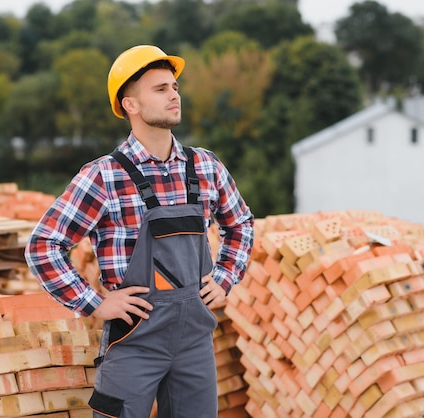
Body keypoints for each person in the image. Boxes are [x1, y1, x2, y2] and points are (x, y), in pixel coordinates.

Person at [24, 44, 254, 418]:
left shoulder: (205, 166)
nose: (174, 94)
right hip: (134, 343)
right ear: (130, 105)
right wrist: (96, 303)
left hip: (195, 341)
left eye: (175, 86)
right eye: (160, 89)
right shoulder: (103, 176)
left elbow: (240, 224)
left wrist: (225, 277)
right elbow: (42, 246)